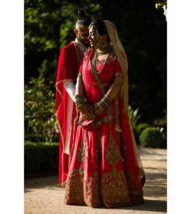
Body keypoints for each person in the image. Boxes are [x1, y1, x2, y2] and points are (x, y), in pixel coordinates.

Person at [64, 20, 145, 208]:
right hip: (87, 114)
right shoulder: (88, 55)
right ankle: (83, 194)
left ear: (105, 35)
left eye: (93, 33)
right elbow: (80, 78)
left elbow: (118, 83)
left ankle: (112, 195)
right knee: (87, 152)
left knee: (106, 153)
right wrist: (80, 101)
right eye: (88, 33)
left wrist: (101, 105)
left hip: (108, 115)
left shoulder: (116, 56)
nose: (89, 36)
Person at [55, 10, 94, 186]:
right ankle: (74, 182)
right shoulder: (68, 51)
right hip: (74, 103)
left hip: (94, 100)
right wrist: (80, 101)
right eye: (83, 34)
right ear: (75, 32)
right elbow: (66, 82)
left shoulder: (96, 49)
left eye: (89, 34)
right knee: (73, 140)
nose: (87, 37)